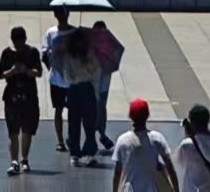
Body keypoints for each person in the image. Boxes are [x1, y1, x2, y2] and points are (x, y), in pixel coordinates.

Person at [0, 24, 42, 176]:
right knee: (13, 131)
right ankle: (14, 161)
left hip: (29, 96)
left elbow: (39, 72)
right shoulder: (7, 53)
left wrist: (27, 71)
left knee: (27, 130)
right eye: (15, 41)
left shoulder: (32, 52)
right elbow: (1, 74)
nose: (18, 44)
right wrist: (12, 71)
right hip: (11, 96)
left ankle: (25, 159)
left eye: (20, 41)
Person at [55, 25, 102, 165]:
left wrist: (87, 70)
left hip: (88, 89)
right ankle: (75, 153)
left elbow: (96, 71)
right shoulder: (69, 56)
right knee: (74, 123)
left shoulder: (90, 55)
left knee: (90, 123)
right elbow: (67, 75)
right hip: (75, 89)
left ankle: (90, 152)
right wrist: (78, 77)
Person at [113, 98, 179, 192]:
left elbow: (117, 171)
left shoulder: (122, 140)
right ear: (147, 115)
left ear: (130, 116)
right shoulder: (157, 138)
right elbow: (170, 168)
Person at [89, 18, 125, 152]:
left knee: (101, 107)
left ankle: (101, 133)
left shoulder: (109, 45)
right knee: (92, 108)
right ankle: (93, 134)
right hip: (92, 81)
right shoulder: (89, 44)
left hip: (103, 80)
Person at [42, 6, 71, 151]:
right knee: (58, 109)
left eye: (64, 13)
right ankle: (60, 140)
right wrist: (51, 56)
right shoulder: (51, 32)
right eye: (59, 13)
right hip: (56, 79)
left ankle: (72, 136)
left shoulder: (74, 32)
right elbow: (44, 52)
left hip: (73, 79)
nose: (62, 16)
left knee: (74, 111)